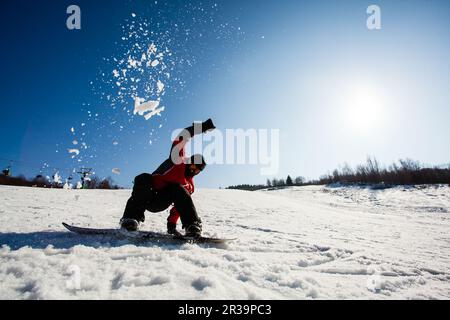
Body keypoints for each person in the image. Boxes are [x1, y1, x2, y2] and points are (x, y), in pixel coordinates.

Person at [120, 119, 216, 237]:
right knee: (143, 177)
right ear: (189, 162)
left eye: (198, 170)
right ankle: (130, 219)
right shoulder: (177, 160)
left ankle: (192, 225)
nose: (194, 171)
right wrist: (200, 128)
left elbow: (180, 205)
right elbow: (182, 136)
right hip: (147, 194)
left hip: (162, 201)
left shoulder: (189, 185)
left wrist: (171, 225)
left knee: (178, 189)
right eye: (194, 166)